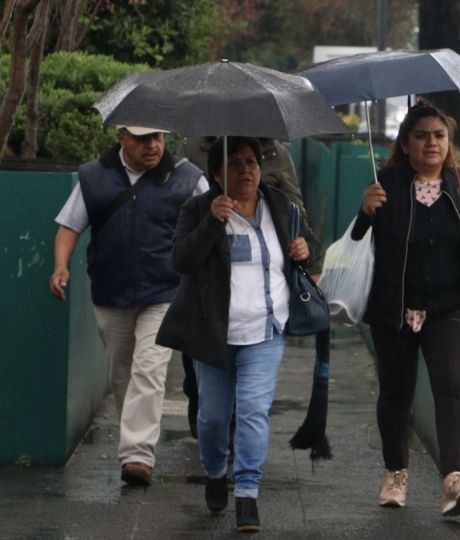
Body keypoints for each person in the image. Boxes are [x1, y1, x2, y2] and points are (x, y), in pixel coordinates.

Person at [156, 136, 319, 533]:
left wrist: (304, 251)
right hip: (214, 334)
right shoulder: (198, 209)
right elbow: (182, 259)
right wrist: (213, 221)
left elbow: (310, 247)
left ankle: (247, 492)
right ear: (216, 173)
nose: (246, 170)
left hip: (266, 330)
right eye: (235, 164)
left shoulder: (282, 207)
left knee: (252, 411)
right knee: (212, 418)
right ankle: (214, 471)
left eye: (251, 162)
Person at [353, 100, 460, 516]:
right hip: (394, 307)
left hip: (451, 306)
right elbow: (359, 238)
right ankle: (396, 473)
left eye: (439, 135)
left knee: (451, 386)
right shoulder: (388, 183)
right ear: (405, 142)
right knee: (396, 392)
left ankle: (453, 478)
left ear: (449, 142)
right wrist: (365, 211)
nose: (431, 143)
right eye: (421, 136)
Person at [48, 126, 207, 486]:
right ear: (121, 137)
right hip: (111, 292)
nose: (152, 145)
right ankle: (135, 440)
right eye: (141, 138)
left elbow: (211, 224)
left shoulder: (188, 178)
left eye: (158, 137)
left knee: (149, 369)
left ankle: (137, 455)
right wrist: (60, 266)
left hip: (166, 292)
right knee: (121, 374)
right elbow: (69, 226)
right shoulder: (94, 177)